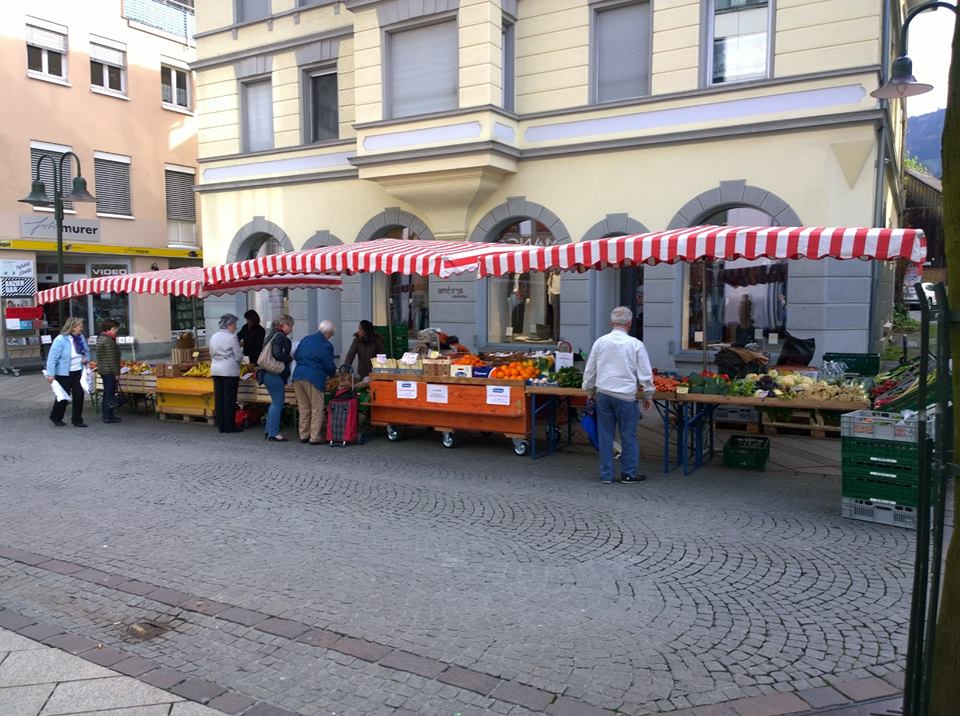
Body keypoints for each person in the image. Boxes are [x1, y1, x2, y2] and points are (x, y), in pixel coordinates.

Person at [582, 306, 654, 485]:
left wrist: (589, 391)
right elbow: (645, 373)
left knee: (605, 435)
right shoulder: (636, 344)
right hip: (625, 396)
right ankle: (628, 473)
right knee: (628, 436)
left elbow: (590, 370)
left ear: (610, 323)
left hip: (604, 393)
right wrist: (648, 394)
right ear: (629, 323)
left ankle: (606, 474)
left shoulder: (600, 342)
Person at [292, 320, 337, 444]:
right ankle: (315, 437)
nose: (331, 337)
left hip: (298, 375)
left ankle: (304, 435)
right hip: (314, 377)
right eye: (331, 334)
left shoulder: (306, 339)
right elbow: (329, 365)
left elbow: (296, 355)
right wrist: (333, 374)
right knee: (317, 407)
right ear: (328, 333)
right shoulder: (326, 345)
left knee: (303, 407)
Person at [45, 317, 90, 428]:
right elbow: (52, 358)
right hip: (63, 373)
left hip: (78, 371)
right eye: (79, 326)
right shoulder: (61, 339)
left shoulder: (81, 338)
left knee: (79, 396)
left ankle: (77, 420)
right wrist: (50, 374)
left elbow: (87, 351)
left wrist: (86, 358)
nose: (81, 328)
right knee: (63, 397)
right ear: (73, 327)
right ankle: (56, 417)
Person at [258, 314, 294, 442]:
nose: (291, 329)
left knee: (275, 402)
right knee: (278, 402)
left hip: (266, 373)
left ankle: (269, 430)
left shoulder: (272, 335)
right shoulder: (279, 337)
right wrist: (289, 357)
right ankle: (274, 432)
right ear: (284, 325)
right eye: (290, 326)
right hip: (273, 373)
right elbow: (277, 354)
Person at [210, 313, 244, 434]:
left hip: (215, 369)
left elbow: (211, 352)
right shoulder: (231, 337)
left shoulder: (214, 336)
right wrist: (241, 359)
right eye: (235, 324)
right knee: (229, 399)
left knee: (219, 398)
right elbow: (238, 356)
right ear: (229, 325)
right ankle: (229, 425)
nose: (235, 327)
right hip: (229, 370)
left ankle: (221, 424)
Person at [96, 319, 122, 424]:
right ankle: (108, 416)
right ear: (108, 329)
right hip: (109, 371)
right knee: (109, 393)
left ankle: (107, 414)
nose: (116, 331)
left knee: (108, 392)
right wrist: (116, 374)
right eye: (114, 328)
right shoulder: (108, 340)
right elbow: (111, 359)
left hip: (104, 369)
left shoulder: (102, 338)